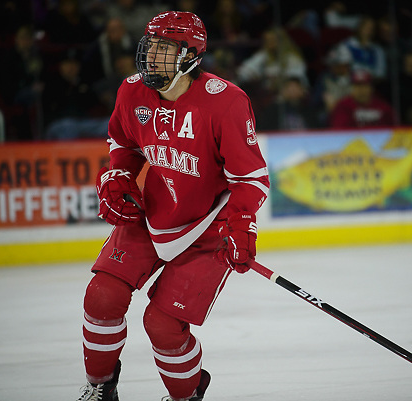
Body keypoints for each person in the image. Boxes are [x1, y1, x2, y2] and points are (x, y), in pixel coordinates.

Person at [76, 10, 270, 401]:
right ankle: (100, 388)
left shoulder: (226, 102)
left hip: (207, 226)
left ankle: (187, 394)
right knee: (102, 296)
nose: (151, 57)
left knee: (162, 325)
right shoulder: (132, 91)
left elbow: (250, 180)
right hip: (150, 213)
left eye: (164, 49)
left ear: (192, 55)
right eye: (149, 47)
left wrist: (242, 224)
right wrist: (118, 175)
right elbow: (123, 144)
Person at [329, 69, 395, 128]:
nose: (361, 90)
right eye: (357, 86)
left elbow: (394, 129)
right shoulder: (343, 106)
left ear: (371, 88)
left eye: (364, 85)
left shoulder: (383, 107)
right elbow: (339, 132)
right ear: (352, 88)